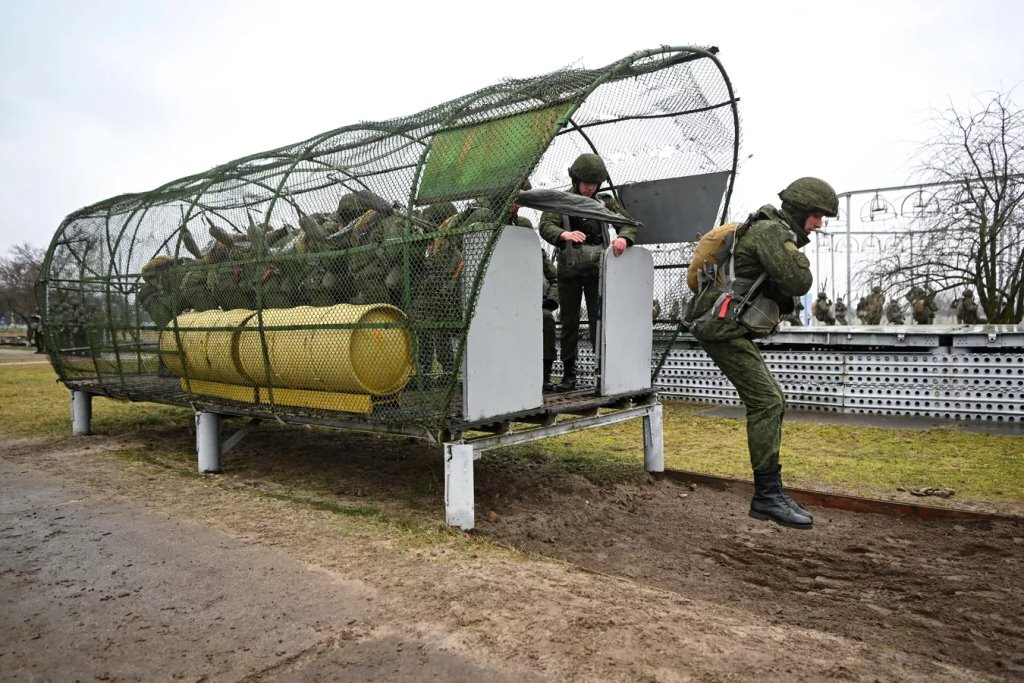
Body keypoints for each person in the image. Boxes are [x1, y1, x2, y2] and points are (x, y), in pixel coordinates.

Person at [686, 176, 838, 530]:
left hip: (724, 328)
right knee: (768, 401)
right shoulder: (772, 232)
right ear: (800, 211)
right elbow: (800, 282)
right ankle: (767, 496)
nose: (819, 224)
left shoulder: (770, 229)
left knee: (771, 400)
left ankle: (771, 493)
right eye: (816, 216)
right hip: (721, 329)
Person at [538, 153, 636, 391]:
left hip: (598, 275)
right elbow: (545, 225)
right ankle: (569, 376)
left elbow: (628, 223)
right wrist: (564, 235)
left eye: (594, 184)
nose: (589, 188)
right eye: (585, 183)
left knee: (598, 323)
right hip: (569, 272)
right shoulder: (561, 200)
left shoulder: (605, 202)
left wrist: (623, 238)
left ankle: (601, 375)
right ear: (576, 179)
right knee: (569, 323)